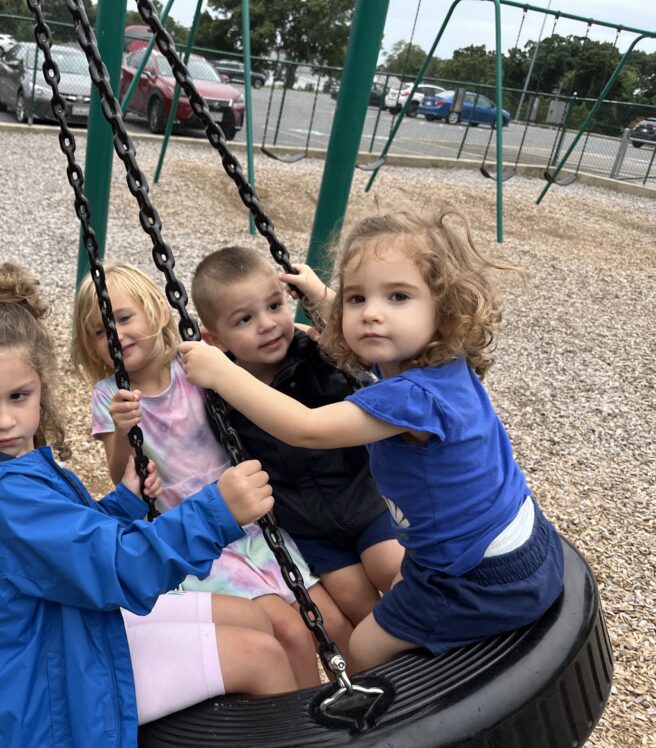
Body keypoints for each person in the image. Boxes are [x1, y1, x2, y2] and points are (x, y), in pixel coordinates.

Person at [0, 262, 297, 748]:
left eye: (18, 396)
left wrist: (122, 503)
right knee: (260, 657)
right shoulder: (6, 496)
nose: (5, 419)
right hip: (50, 691)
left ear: (40, 386)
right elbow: (117, 566)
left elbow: (65, 546)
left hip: (66, 627)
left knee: (254, 616)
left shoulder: (5, 467)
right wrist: (216, 513)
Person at [179, 209, 565, 674]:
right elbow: (372, 334)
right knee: (396, 597)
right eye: (357, 298)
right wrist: (324, 296)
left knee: (362, 650)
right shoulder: (434, 362)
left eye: (398, 296)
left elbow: (306, 427)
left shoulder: (411, 398)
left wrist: (221, 372)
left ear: (443, 309)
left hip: (479, 578)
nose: (372, 314)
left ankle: (429, 711)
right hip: (521, 545)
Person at [71, 261, 352, 685]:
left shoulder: (194, 365)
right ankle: (307, 720)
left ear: (158, 311)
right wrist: (124, 431)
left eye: (124, 318)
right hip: (199, 537)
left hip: (256, 523)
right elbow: (118, 476)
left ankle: (370, 699)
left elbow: (250, 367)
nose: (116, 333)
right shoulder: (109, 394)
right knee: (290, 633)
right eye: (99, 330)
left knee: (332, 622)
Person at [191, 246, 405, 627]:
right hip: (310, 530)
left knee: (395, 571)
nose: (267, 324)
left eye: (275, 306)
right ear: (214, 340)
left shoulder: (317, 353)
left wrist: (321, 298)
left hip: (364, 501)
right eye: (245, 319)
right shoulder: (222, 398)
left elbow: (364, 345)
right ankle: (400, 662)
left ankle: (439, 643)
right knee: (358, 606)